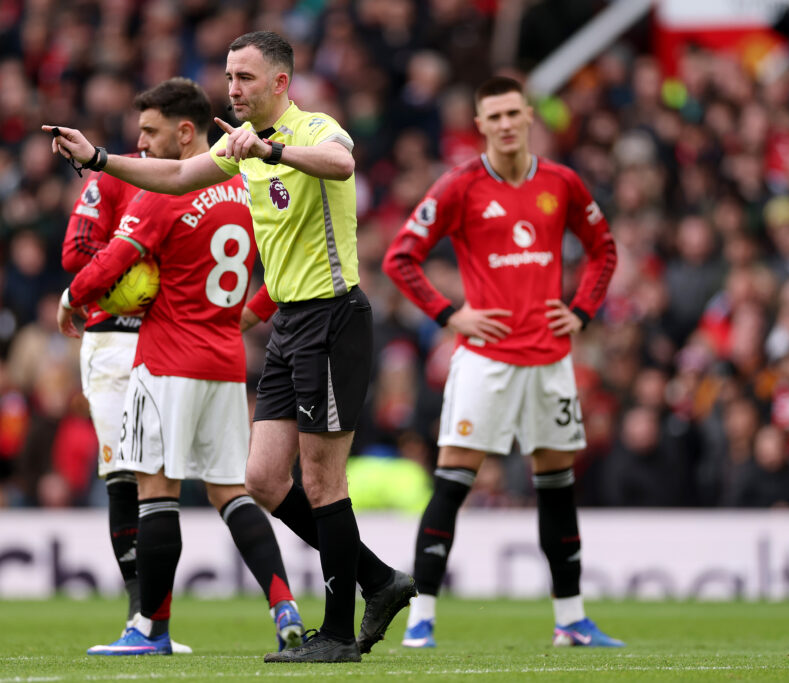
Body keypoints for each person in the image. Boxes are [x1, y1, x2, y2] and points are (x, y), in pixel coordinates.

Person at [45, 31, 414, 663]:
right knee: (264, 479)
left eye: (245, 77)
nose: (232, 87)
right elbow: (178, 174)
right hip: (287, 327)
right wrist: (99, 158)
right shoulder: (233, 147)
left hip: (332, 316)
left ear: (279, 82)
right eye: (228, 75)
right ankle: (379, 580)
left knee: (323, 481)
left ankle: (337, 632)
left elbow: (341, 164)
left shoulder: (313, 127)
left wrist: (271, 148)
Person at [57, 77, 304, 656]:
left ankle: (151, 629)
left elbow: (110, 262)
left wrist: (73, 300)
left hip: (166, 360)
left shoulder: (163, 193)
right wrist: (247, 315)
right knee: (230, 493)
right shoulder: (247, 189)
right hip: (224, 361)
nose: (141, 145)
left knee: (156, 491)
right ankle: (285, 607)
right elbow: (285, 270)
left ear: (185, 132)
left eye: (150, 132)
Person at [382, 76, 624, 649]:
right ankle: (422, 619)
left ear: (530, 115)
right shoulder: (461, 185)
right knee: (452, 485)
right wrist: (449, 316)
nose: (507, 124)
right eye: (494, 116)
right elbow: (401, 258)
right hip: (485, 361)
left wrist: (583, 310)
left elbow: (603, 250)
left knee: (556, 487)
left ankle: (571, 619)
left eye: (514, 112)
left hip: (549, 360)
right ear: (481, 124)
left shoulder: (561, 183)